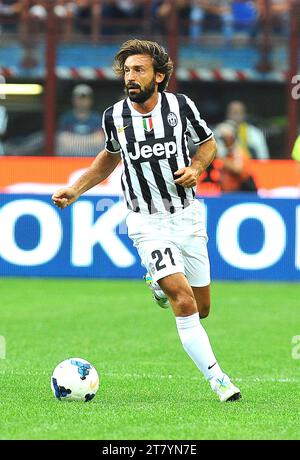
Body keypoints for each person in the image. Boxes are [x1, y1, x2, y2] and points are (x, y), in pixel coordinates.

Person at [52, 39, 241, 402]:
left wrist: (198, 168)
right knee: (182, 301)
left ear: (159, 76)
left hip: (187, 217)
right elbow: (108, 158)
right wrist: (76, 190)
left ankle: (157, 285)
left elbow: (208, 143)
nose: (130, 77)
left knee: (201, 309)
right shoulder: (114, 117)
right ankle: (219, 380)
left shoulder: (181, 107)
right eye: (126, 71)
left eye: (139, 70)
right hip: (145, 221)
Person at [56, 83, 104, 156]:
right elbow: (62, 142)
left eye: (85, 98)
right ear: (73, 99)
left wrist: (73, 140)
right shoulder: (66, 118)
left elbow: (100, 142)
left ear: (90, 100)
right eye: (79, 98)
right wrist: (90, 140)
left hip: (91, 160)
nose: (82, 101)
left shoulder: (97, 118)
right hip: (68, 160)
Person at [215, 121, 257, 192]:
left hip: (239, 194)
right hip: (226, 193)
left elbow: (238, 169)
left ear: (231, 138)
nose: (222, 141)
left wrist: (220, 158)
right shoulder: (227, 153)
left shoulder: (238, 152)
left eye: (224, 138)